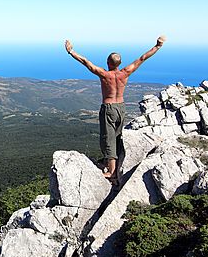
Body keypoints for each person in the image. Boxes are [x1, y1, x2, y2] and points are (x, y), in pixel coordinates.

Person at [64, 36, 167, 184]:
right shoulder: (125, 72)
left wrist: (71, 51)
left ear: (108, 62)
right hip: (121, 108)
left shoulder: (105, 75)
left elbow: (87, 63)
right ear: (120, 63)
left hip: (109, 108)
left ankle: (111, 172)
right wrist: (157, 46)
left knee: (108, 139)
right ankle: (113, 165)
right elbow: (142, 58)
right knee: (117, 137)